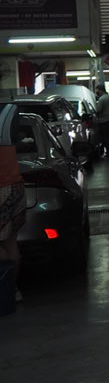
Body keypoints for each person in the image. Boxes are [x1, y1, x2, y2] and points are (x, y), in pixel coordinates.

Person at [0, 104, 25, 313]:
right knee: (10, 242)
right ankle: (11, 289)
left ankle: (5, 287)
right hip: (16, 187)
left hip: (2, 190)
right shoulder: (5, 120)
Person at [95, 84, 109, 161]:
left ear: (101, 90)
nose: (97, 92)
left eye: (97, 91)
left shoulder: (101, 99)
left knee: (106, 137)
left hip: (104, 121)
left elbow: (98, 110)